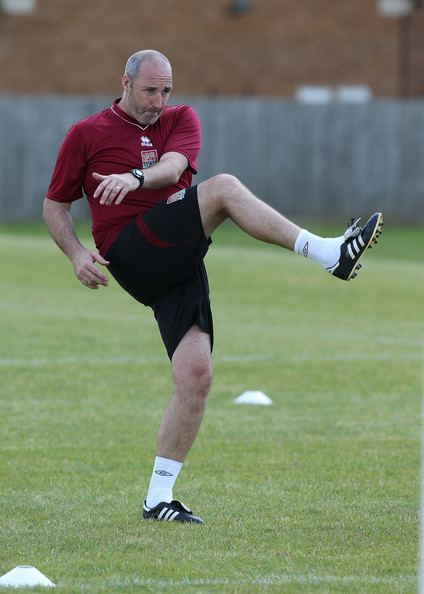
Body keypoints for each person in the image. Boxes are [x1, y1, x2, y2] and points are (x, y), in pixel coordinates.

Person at [43, 49, 383, 525]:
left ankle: (157, 499)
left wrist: (135, 176)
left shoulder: (182, 118)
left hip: (176, 252)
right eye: (149, 90)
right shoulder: (86, 134)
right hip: (133, 250)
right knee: (222, 189)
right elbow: (55, 204)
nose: (159, 100)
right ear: (124, 81)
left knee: (196, 379)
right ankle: (329, 254)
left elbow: (172, 167)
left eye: (166, 90)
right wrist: (77, 253)